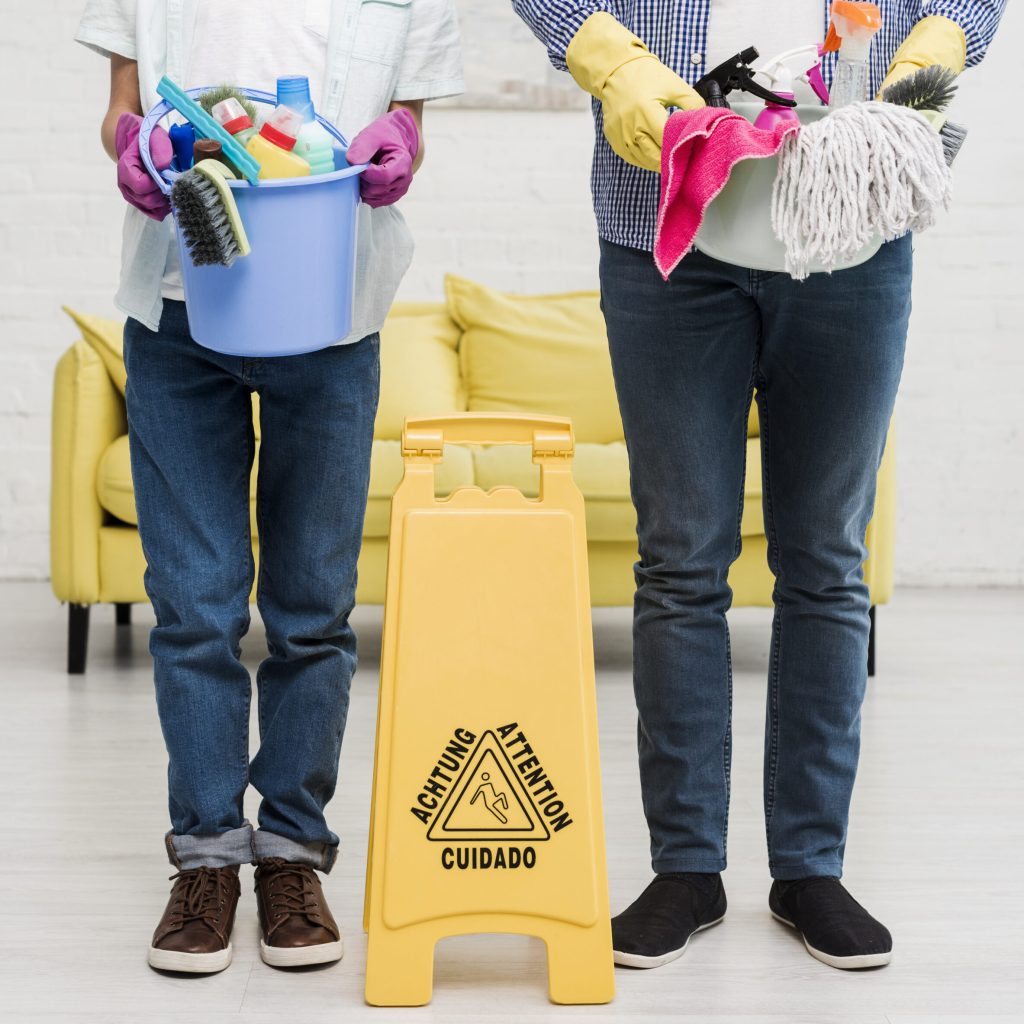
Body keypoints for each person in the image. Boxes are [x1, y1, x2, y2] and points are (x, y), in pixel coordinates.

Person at [512, 0, 1004, 970]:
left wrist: (942, 37)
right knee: (679, 558)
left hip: (850, 211)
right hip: (666, 215)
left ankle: (808, 867)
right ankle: (686, 867)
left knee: (825, 558)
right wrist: (605, 56)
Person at [75, 0, 462, 974]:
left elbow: (407, 116)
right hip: (176, 315)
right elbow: (120, 105)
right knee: (195, 608)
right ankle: (206, 852)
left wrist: (400, 142)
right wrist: (132, 142)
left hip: (332, 314)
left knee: (311, 609)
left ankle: (291, 848)